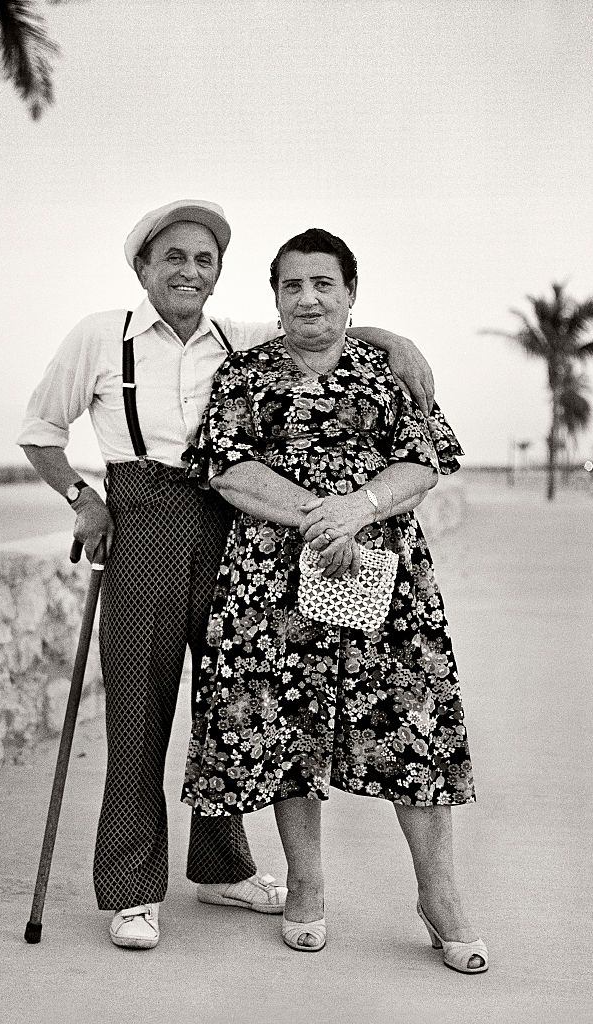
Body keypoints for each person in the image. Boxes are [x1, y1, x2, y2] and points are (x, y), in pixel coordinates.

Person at [18, 201, 436, 951]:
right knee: (139, 712)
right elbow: (40, 430)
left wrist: (391, 337)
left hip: (231, 526)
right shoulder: (98, 336)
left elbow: (318, 326)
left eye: (203, 260)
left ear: (217, 273)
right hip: (142, 515)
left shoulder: (237, 338)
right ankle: (131, 889)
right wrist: (82, 500)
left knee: (231, 713)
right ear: (142, 267)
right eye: (172, 257)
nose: (188, 271)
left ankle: (221, 869)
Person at [181, 228, 487, 973]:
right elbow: (227, 471)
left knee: (412, 728)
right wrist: (324, 518)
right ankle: (307, 884)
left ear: (351, 294)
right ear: (275, 298)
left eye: (323, 283)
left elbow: (423, 462)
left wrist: (360, 508)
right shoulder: (243, 375)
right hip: (272, 583)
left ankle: (438, 894)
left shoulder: (388, 373)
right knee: (288, 731)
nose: (308, 297)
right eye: (292, 285)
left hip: (383, 575)